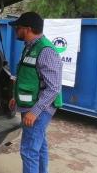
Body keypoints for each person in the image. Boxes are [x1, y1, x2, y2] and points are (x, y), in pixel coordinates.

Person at [8, 11, 63, 173]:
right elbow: (27, 75)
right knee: (39, 146)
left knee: (29, 150)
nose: (15, 30)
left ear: (28, 29)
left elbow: (53, 87)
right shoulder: (30, 47)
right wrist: (15, 97)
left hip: (39, 108)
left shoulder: (45, 51)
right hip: (30, 104)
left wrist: (35, 112)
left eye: (18, 27)